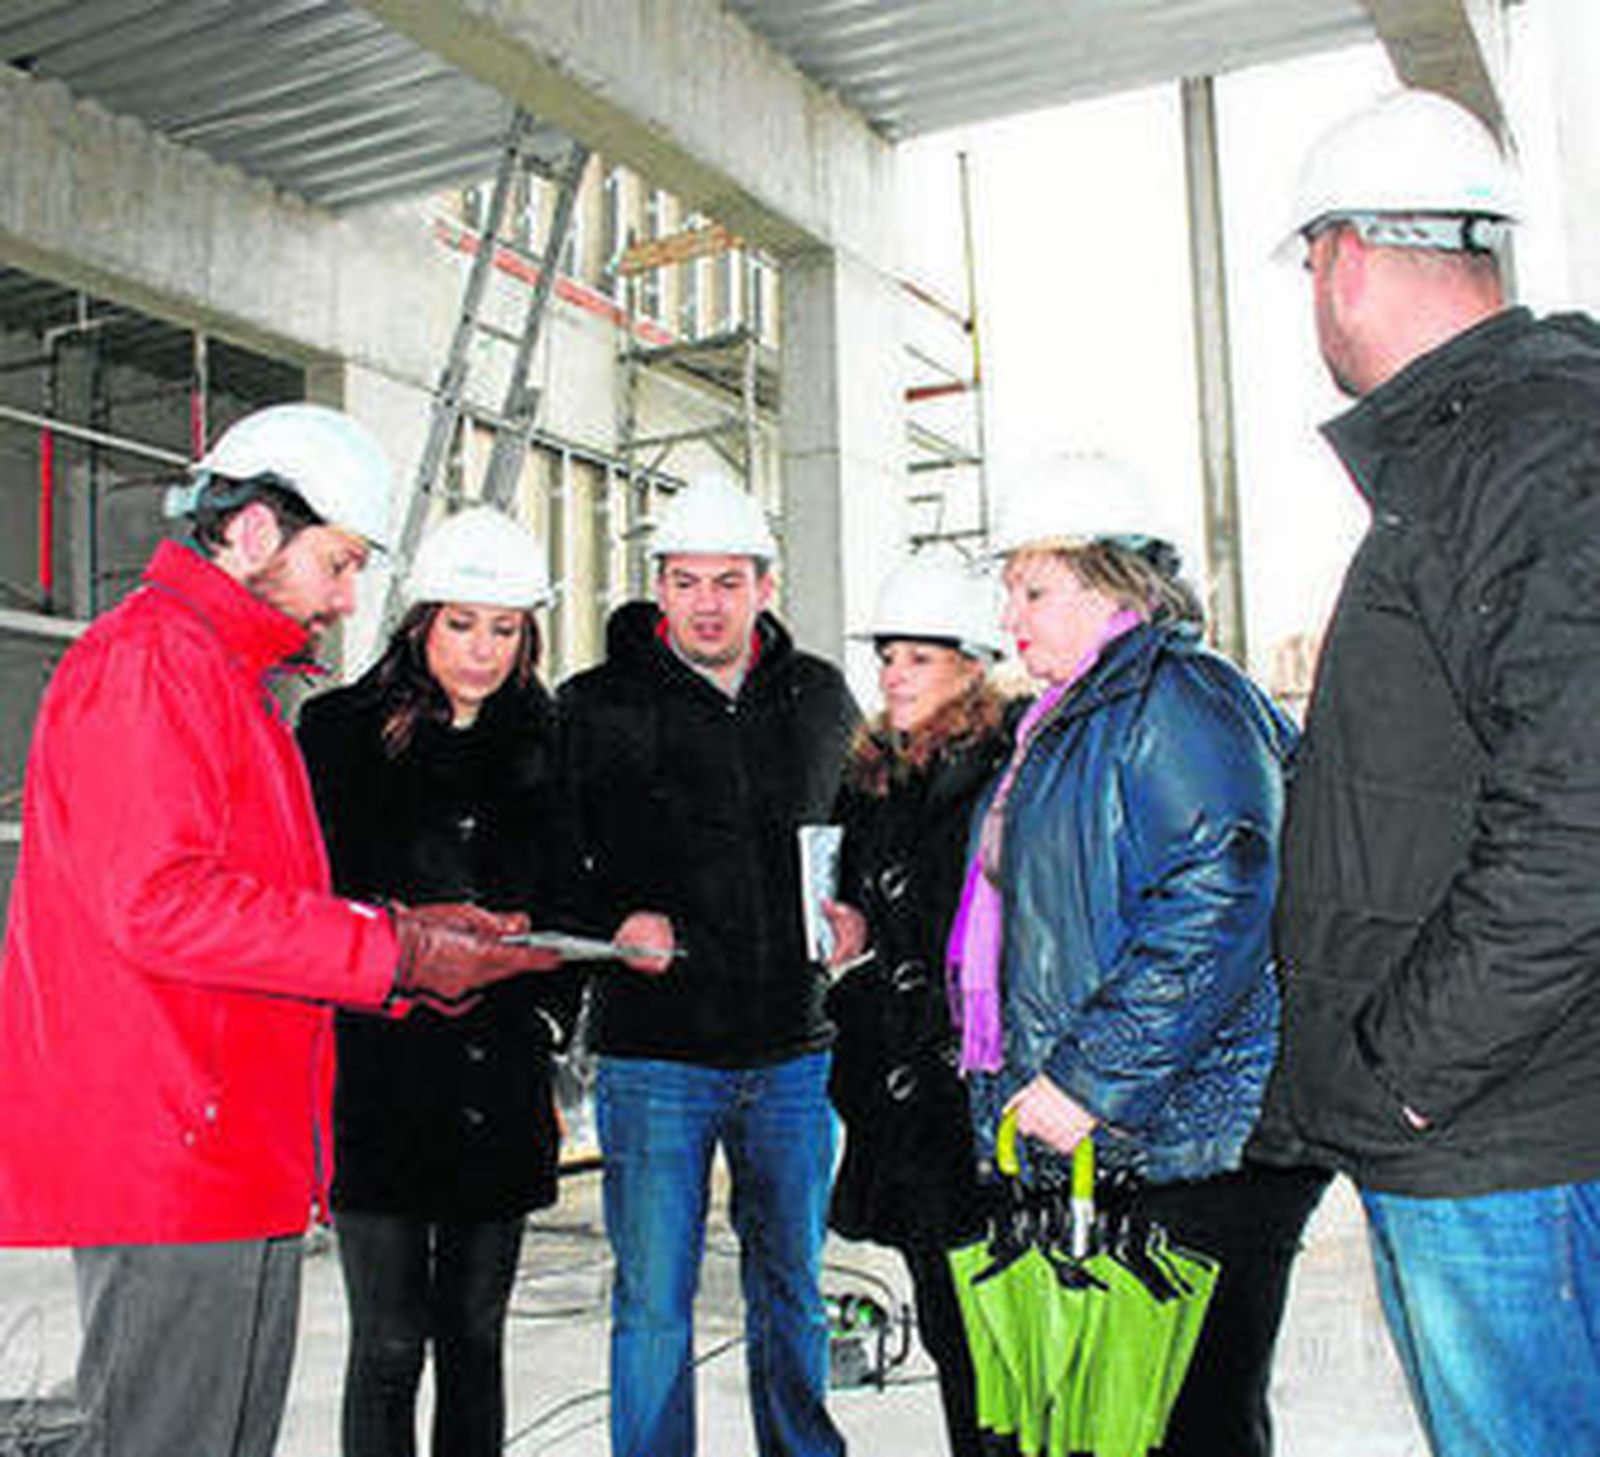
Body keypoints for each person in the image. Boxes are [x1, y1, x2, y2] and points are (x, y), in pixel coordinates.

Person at [0, 404, 561, 1457]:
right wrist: (395, 950)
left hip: (223, 1137)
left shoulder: (224, 678)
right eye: (339, 562)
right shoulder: (153, 666)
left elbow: (255, 897)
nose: (350, 596)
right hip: (172, 1141)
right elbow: (157, 901)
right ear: (254, 531)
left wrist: (401, 928)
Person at [1252, 88, 1600, 1456]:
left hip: (1500, 1132)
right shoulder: (1488, 450)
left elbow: (1580, 809)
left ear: (1340, 256)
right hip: (1493, 1118)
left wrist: (1407, 1067)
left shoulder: (1527, 451)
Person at [952, 454, 1327, 1457]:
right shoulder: (1072, 718)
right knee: (1125, 1420)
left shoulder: (1179, 698)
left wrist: (1088, 1079)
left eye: (1033, 589)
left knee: (1193, 1420)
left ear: (1115, 581)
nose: (1011, 618)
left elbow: (1218, 896)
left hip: (1201, 1140)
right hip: (1134, 1135)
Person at [557, 475, 860, 1457]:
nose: (705, 602)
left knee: (793, 1289)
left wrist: (862, 912)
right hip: (658, 1055)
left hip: (792, 1051)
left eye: (727, 580)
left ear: (764, 585)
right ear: (658, 584)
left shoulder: (818, 695)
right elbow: (550, 857)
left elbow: (862, 828)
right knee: (652, 1300)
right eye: (684, 580)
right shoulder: (594, 705)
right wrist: (614, 915)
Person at [297, 506, 599, 1457]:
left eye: (504, 628)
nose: (481, 649)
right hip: (378, 1076)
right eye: (461, 623)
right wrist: (398, 948)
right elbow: (305, 896)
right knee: (389, 1340)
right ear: (420, 620)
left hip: (497, 1080)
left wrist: (547, 1013)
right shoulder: (340, 733)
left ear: (529, 635)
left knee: (475, 1334)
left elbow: (579, 899)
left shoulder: (553, 746)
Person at [818, 556, 1013, 1457]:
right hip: (905, 1105)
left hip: (982, 1108)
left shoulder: (1013, 773)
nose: (893, 674)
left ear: (971, 668)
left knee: (1004, 1348)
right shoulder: (869, 780)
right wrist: (850, 952)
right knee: (950, 1334)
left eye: (918, 659)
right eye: (889, 656)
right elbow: (857, 923)